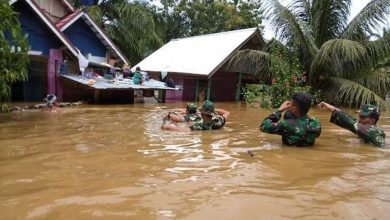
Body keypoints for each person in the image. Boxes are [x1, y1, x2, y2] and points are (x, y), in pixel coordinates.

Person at [317, 102, 385, 147]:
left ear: (372, 120)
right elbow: (350, 118)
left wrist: (332, 109)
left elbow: (351, 123)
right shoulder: (366, 127)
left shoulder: (373, 131)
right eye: (359, 116)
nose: (359, 119)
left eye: (362, 117)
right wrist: (331, 108)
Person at [161, 100, 230, 132]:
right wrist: (212, 110)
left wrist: (168, 127)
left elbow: (182, 130)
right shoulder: (219, 121)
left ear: (202, 114)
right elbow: (227, 113)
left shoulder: (199, 126)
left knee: (173, 125)